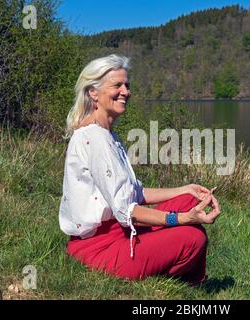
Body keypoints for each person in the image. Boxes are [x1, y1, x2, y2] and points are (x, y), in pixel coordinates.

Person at [59, 54, 221, 286]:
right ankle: (187, 281)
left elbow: (134, 192)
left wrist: (185, 189)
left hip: (120, 230)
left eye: (127, 85)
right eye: (117, 85)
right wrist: (182, 218)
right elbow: (127, 211)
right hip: (99, 247)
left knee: (188, 199)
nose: (125, 91)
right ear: (93, 92)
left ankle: (179, 270)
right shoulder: (94, 138)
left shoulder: (107, 135)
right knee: (193, 237)